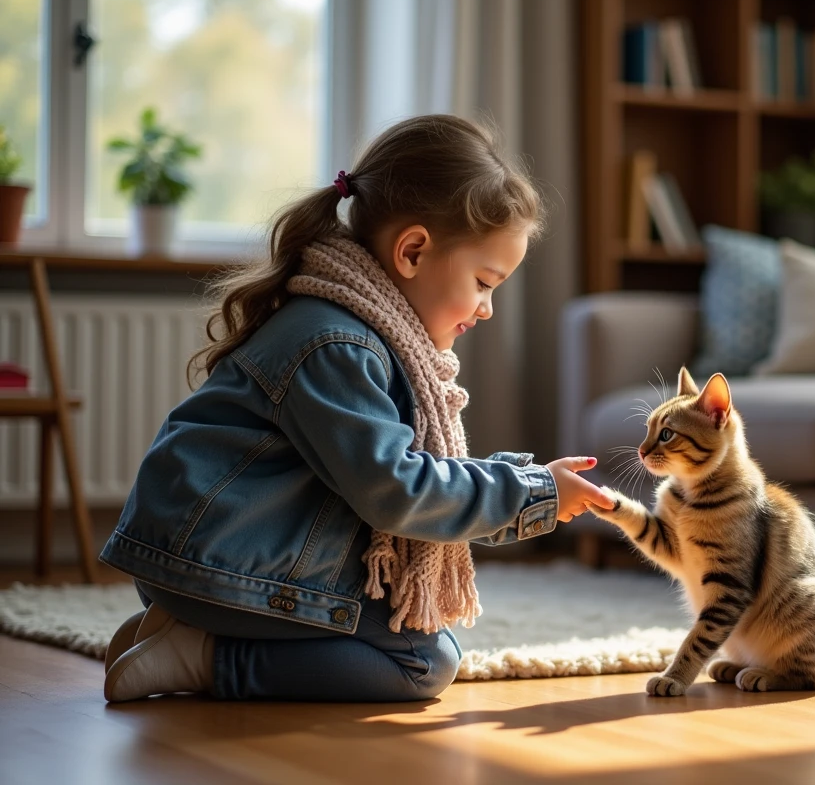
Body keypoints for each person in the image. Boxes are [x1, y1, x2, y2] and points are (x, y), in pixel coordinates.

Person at [99, 114, 613, 703]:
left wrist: (530, 482)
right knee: (424, 662)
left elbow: (404, 480)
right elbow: (397, 492)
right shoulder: (337, 346)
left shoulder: (355, 327)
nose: (487, 308)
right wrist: (529, 494)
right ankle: (206, 656)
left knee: (418, 642)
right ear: (414, 251)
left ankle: (184, 633)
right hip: (212, 561)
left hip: (220, 554)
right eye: (483, 282)